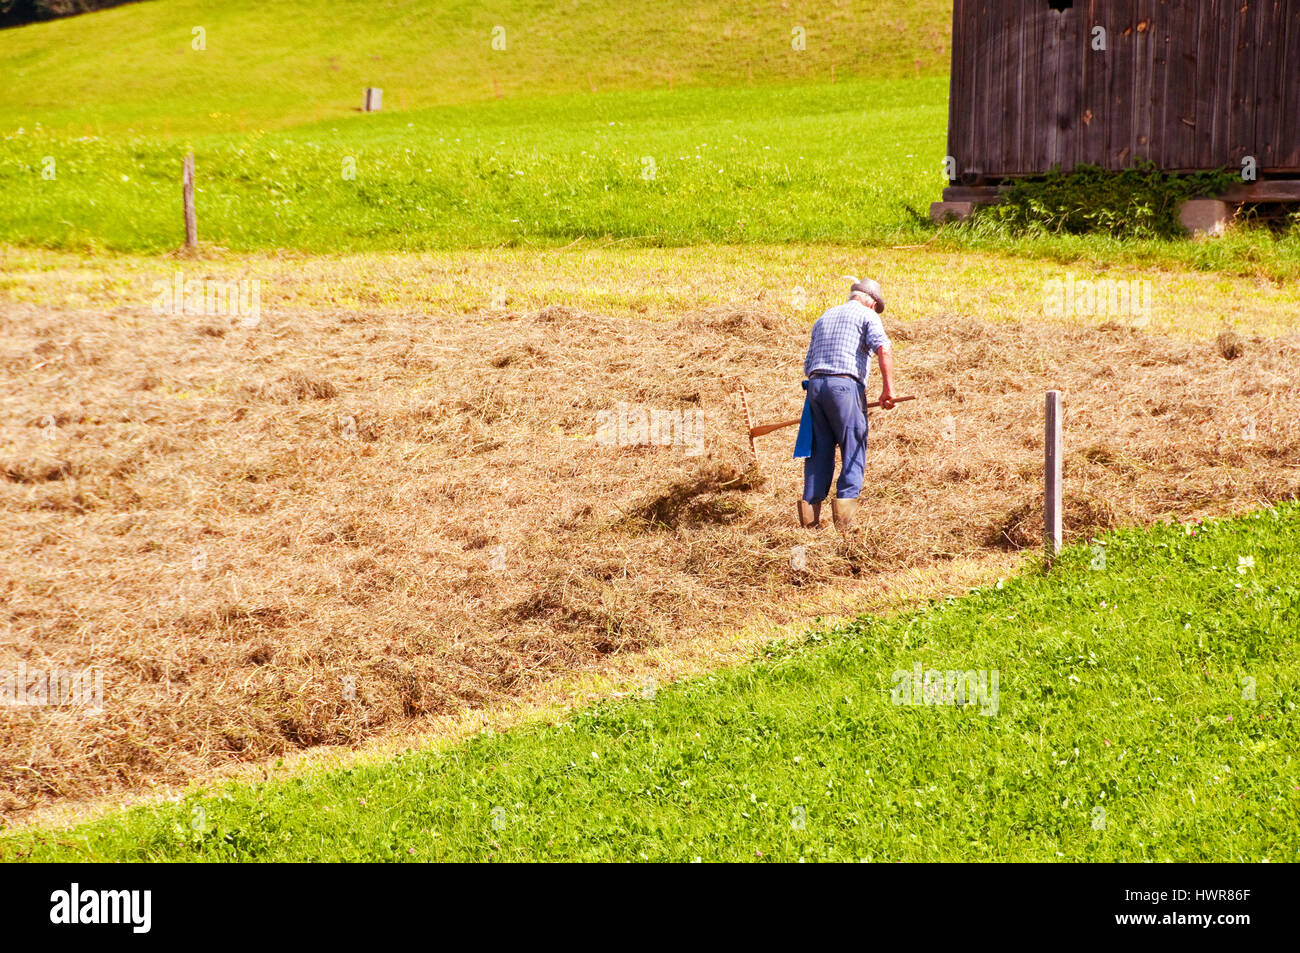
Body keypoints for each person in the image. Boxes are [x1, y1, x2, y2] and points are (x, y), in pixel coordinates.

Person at [798, 278, 897, 532]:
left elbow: (808, 364)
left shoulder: (825, 316)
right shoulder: (867, 315)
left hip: (815, 388)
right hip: (844, 387)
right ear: (872, 303)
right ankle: (845, 528)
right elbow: (883, 349)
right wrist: (888, 389)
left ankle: (810, 525)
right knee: (853, 447)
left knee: (818, 453)